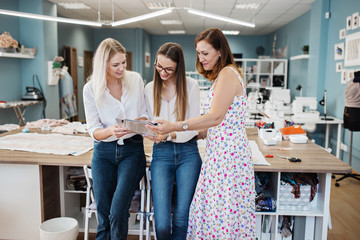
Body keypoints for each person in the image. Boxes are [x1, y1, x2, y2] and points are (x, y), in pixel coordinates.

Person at [146, 28, 256, 239]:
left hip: (227, 158)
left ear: (220, 52)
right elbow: (216, 124)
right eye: (198, 53)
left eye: (205, 53)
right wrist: (195, 134)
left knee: (221, 218)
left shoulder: (227, 74)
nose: (201, 58)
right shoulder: (223, 76)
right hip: (220, 155)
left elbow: (215, 117)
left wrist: (174, 127)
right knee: (219, 218)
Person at [83, 38, 147, 240]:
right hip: (104, 153)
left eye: (124, 63)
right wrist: (111, 131)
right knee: (103, 213)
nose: (122, 68)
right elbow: (93, 130)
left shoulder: (135, 80)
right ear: (104, 64)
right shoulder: (91, 89)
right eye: (116, 65)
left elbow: (146, 115)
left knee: (118, 212)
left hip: (132, 150)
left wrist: (139, 121)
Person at [144, 42, 202, 239]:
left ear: (179, 67)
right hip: (161, 152)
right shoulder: (149, 88)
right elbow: (147, 122)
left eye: (169, 68)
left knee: (181, 218)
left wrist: (169, 133)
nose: (163, 72)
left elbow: (193, 127)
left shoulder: (191, 86)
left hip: (188, 153)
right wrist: (148, 130)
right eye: (159, 66)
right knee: (161, 222)